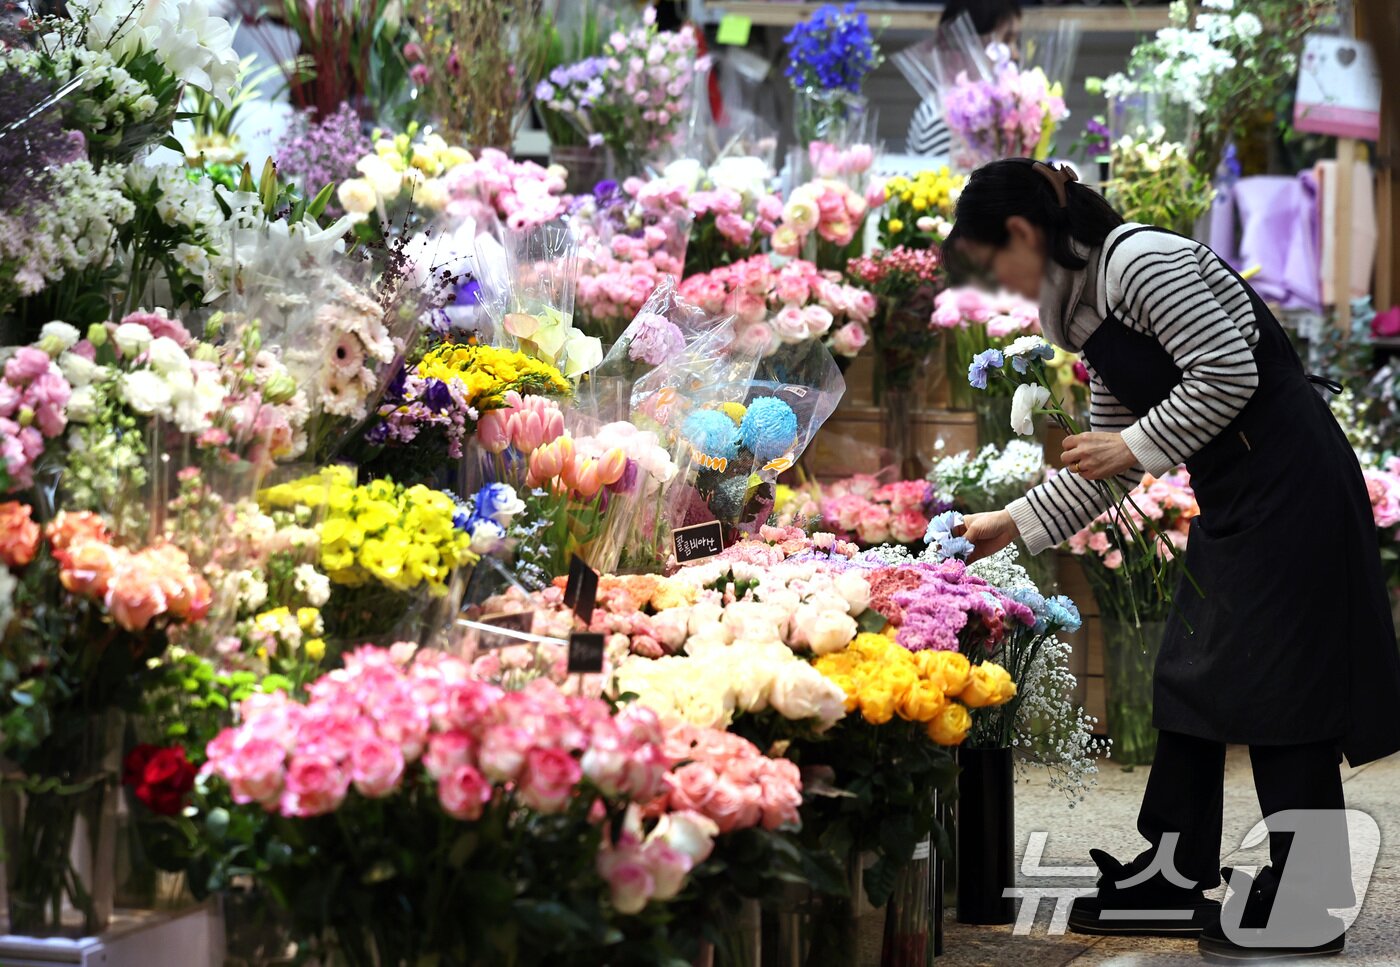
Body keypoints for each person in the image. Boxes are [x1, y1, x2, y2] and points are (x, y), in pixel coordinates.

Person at [946, 157, 1400, 962]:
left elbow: (1231, 370)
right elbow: (1111, 464)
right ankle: (1174, 870)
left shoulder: (1142, 263)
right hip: (1244, 492)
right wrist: (1007, 523)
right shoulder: (1085, 311)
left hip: (1292, 483)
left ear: (1022, 232)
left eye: (992, 263)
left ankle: (1309, 897)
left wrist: (1132, 442)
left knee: (1279, 689)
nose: (1000, 285)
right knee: (1191, 672)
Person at [906, 0, 1023, 156]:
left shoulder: (988, 111)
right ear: (973, 42)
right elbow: (943, 178)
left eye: (1017, 42)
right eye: (1006, 40)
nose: (1015, 54)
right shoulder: (943, 118)